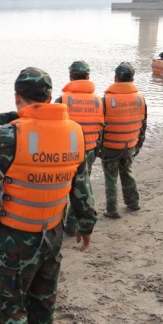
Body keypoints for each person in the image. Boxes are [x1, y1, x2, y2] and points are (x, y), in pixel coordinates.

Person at [0, 67, 98, 324]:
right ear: (51, 96)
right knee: (43, 305)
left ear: (17, 98)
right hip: (52, 233)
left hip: (16, 238)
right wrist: (86, 225)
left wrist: (18, 115)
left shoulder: (10, 137)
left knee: (10, 309)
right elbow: (81, 188)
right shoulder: (75, 134)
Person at [55, 61, 104, 237]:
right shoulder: (99, 101)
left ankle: (58, 227)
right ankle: (72, 226)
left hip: (66, 153)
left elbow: (52, 128)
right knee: (80, 189)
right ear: (88, 77)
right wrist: (97, 151)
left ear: (70, 77)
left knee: (61, 190)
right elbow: (101, 128)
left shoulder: (62, 100)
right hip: (88, 151)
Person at [101, 63, 146, 218]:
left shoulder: (106, 100)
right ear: (132, 79)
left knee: (110, 177)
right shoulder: (141, 99)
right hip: (130, 145)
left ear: (115, 78)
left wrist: (99, 149)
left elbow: (101, 127)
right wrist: (137, 147)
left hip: (111, 147)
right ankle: (133, 203)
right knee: (127, 172)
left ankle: (112, 209)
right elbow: (143, 126)